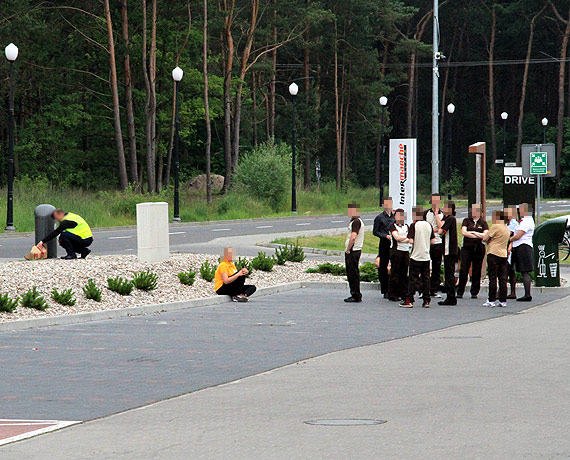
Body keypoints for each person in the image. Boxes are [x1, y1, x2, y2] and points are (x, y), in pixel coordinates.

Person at [400, 206, 435, 308]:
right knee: (426, 278)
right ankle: (426, 300)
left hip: (416, 256)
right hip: (426, 256)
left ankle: (409, 300)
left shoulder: (414, 225)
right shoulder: (429, 225)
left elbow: (410, 241)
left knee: (413, 278)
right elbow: (432, 241)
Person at [456, 203, 488, 299]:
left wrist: (473, 233)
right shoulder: (466, 221)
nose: (474, 212)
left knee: (476, 269)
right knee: (464, 269)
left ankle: (474, 292)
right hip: (467, 248)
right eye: (472, 210)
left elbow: (485, 235)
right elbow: (464, 232)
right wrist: (477, 234)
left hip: (478, 248)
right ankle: (460, 291)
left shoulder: (483, 223)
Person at [483, 210, 511, 307]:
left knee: (493, 278)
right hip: (503, 254)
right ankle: (503, 300)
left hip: (493, 253)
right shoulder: (506, 228)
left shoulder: (496, 226)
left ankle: (491, 300)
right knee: (503, 279)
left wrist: (488, 241)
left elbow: (485, 238)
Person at [510, 203, 535, 302]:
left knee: (525, 271)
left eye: (520, 210)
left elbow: (518, 235)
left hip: (523, 247)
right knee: (521, 270)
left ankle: (527, 294)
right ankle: (525, 293)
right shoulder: (523, 221)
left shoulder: (527, 221)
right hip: (519, 246)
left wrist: (508, 239)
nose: (519, 212)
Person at [437, 201, 459, 306]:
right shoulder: (446, 219)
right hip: (446, 249)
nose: (443, 208)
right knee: (448, 273)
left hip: (450, 250)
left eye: (445, 207)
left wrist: (436, 215)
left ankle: (451, 297)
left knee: (449, 273)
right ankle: (450, 296)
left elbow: (441, 231)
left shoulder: (451, 219)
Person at [373, 197, 395, 298]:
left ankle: (393, 288)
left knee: (395, 264)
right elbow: (375, 231)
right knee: (383, 266)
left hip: (394, 243)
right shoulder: (379, 217)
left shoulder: (395, 217)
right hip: (384, 243)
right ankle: (385, 289)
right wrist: (384, 236)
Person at [424, 194, 444, 297]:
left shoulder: (442, 214)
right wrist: (433, 229)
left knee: (436, 266)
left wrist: (436, 215)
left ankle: (434, 289)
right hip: (426, 242)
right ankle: (424, 289)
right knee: (425, 266)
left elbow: (441, 228)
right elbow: (423, 226)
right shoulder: (426, 213)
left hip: (438, 242)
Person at [387, 209, 409, 302]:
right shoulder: (392, 226)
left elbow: (411, 238)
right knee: (395, 272)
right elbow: (396, 237)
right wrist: (406, 238)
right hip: (396, 251)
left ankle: (403, 293)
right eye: (398, 215)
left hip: (405, 251)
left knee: (404, 273)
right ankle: (392, 294)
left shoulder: (407, 226)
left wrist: (404, 239)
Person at [345, 203, 365, 303]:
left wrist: (348, 249)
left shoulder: (356, 222)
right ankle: (355, 293)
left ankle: (355, 294)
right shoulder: (356, 221)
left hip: (353, 250)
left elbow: (353, 237)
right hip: (356, 250)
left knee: (352, 273)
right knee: (353, 272)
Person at [505, 206, 519, 299]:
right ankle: (512, 292)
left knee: (507, 270)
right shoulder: (506, 223)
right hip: (504, 246)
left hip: (510, 248)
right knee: (510, 271)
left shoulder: (514, 223)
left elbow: (511, 235)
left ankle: (503, 291)